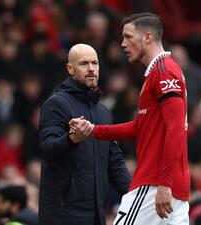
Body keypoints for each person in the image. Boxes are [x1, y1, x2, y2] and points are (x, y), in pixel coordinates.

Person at [70, 13, 190, 225]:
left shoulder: (163, 72)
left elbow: (176, 128)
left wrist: (164, 183)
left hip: (154, 185)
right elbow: (140, 127)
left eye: (128, 37)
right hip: (173, 187)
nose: (123, 44)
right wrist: (93, 130)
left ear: (147, 37)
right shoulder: (162, 71)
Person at [38, 43, 131, 225]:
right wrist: (72, 139)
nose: (91, 69)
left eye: (95, 63)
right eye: (84, 63)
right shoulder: (55, 104)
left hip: (96, 213)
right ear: (70, 69)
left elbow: (114, 161)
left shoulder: (103, 111)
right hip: (62, 214)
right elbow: (47, 149)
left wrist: (135, 195)